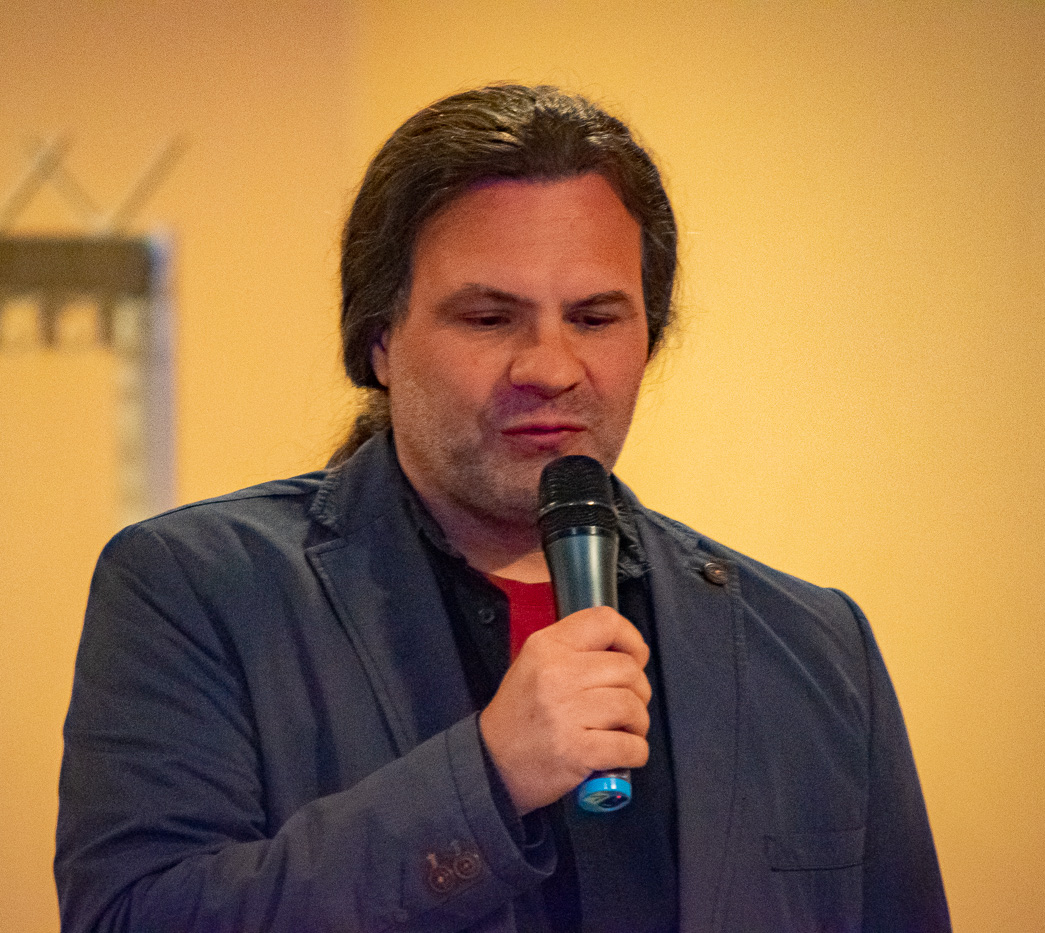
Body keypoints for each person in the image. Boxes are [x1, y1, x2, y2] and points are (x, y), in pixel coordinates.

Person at [55, 84, 950, 932]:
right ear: (378, 340)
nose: (550, 367)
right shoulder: (200, 588)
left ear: (650, 337)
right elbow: (138, 915)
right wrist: (486, 779)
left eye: (595, 318)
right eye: (489, 319)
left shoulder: (815, 646)